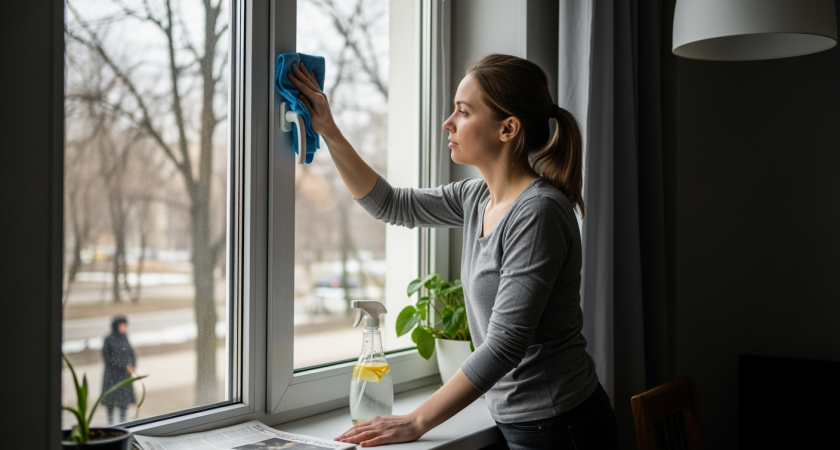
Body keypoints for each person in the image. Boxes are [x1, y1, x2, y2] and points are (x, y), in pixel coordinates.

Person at [288, 53, 619, 449]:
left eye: (463, 112)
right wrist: (328, 129)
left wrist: (415, 421)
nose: (448, 122)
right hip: (527, 422)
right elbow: (390, 204)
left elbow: (504, 345)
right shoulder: (477, 196)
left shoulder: (538, 213)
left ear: (508, 128)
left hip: (563, 427)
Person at [101, 315, 137, 425]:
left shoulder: (125, 337)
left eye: (125, 325)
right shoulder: (109, 339)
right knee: (111, 403)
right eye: (122, 325)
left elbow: (131, 353)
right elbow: (107, 357)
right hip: (112, 376)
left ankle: (123, 423)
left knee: (124, 402)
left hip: (125, 377)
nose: (124, 327)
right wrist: (123, 366)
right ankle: (111, 424)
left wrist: (132, 365)